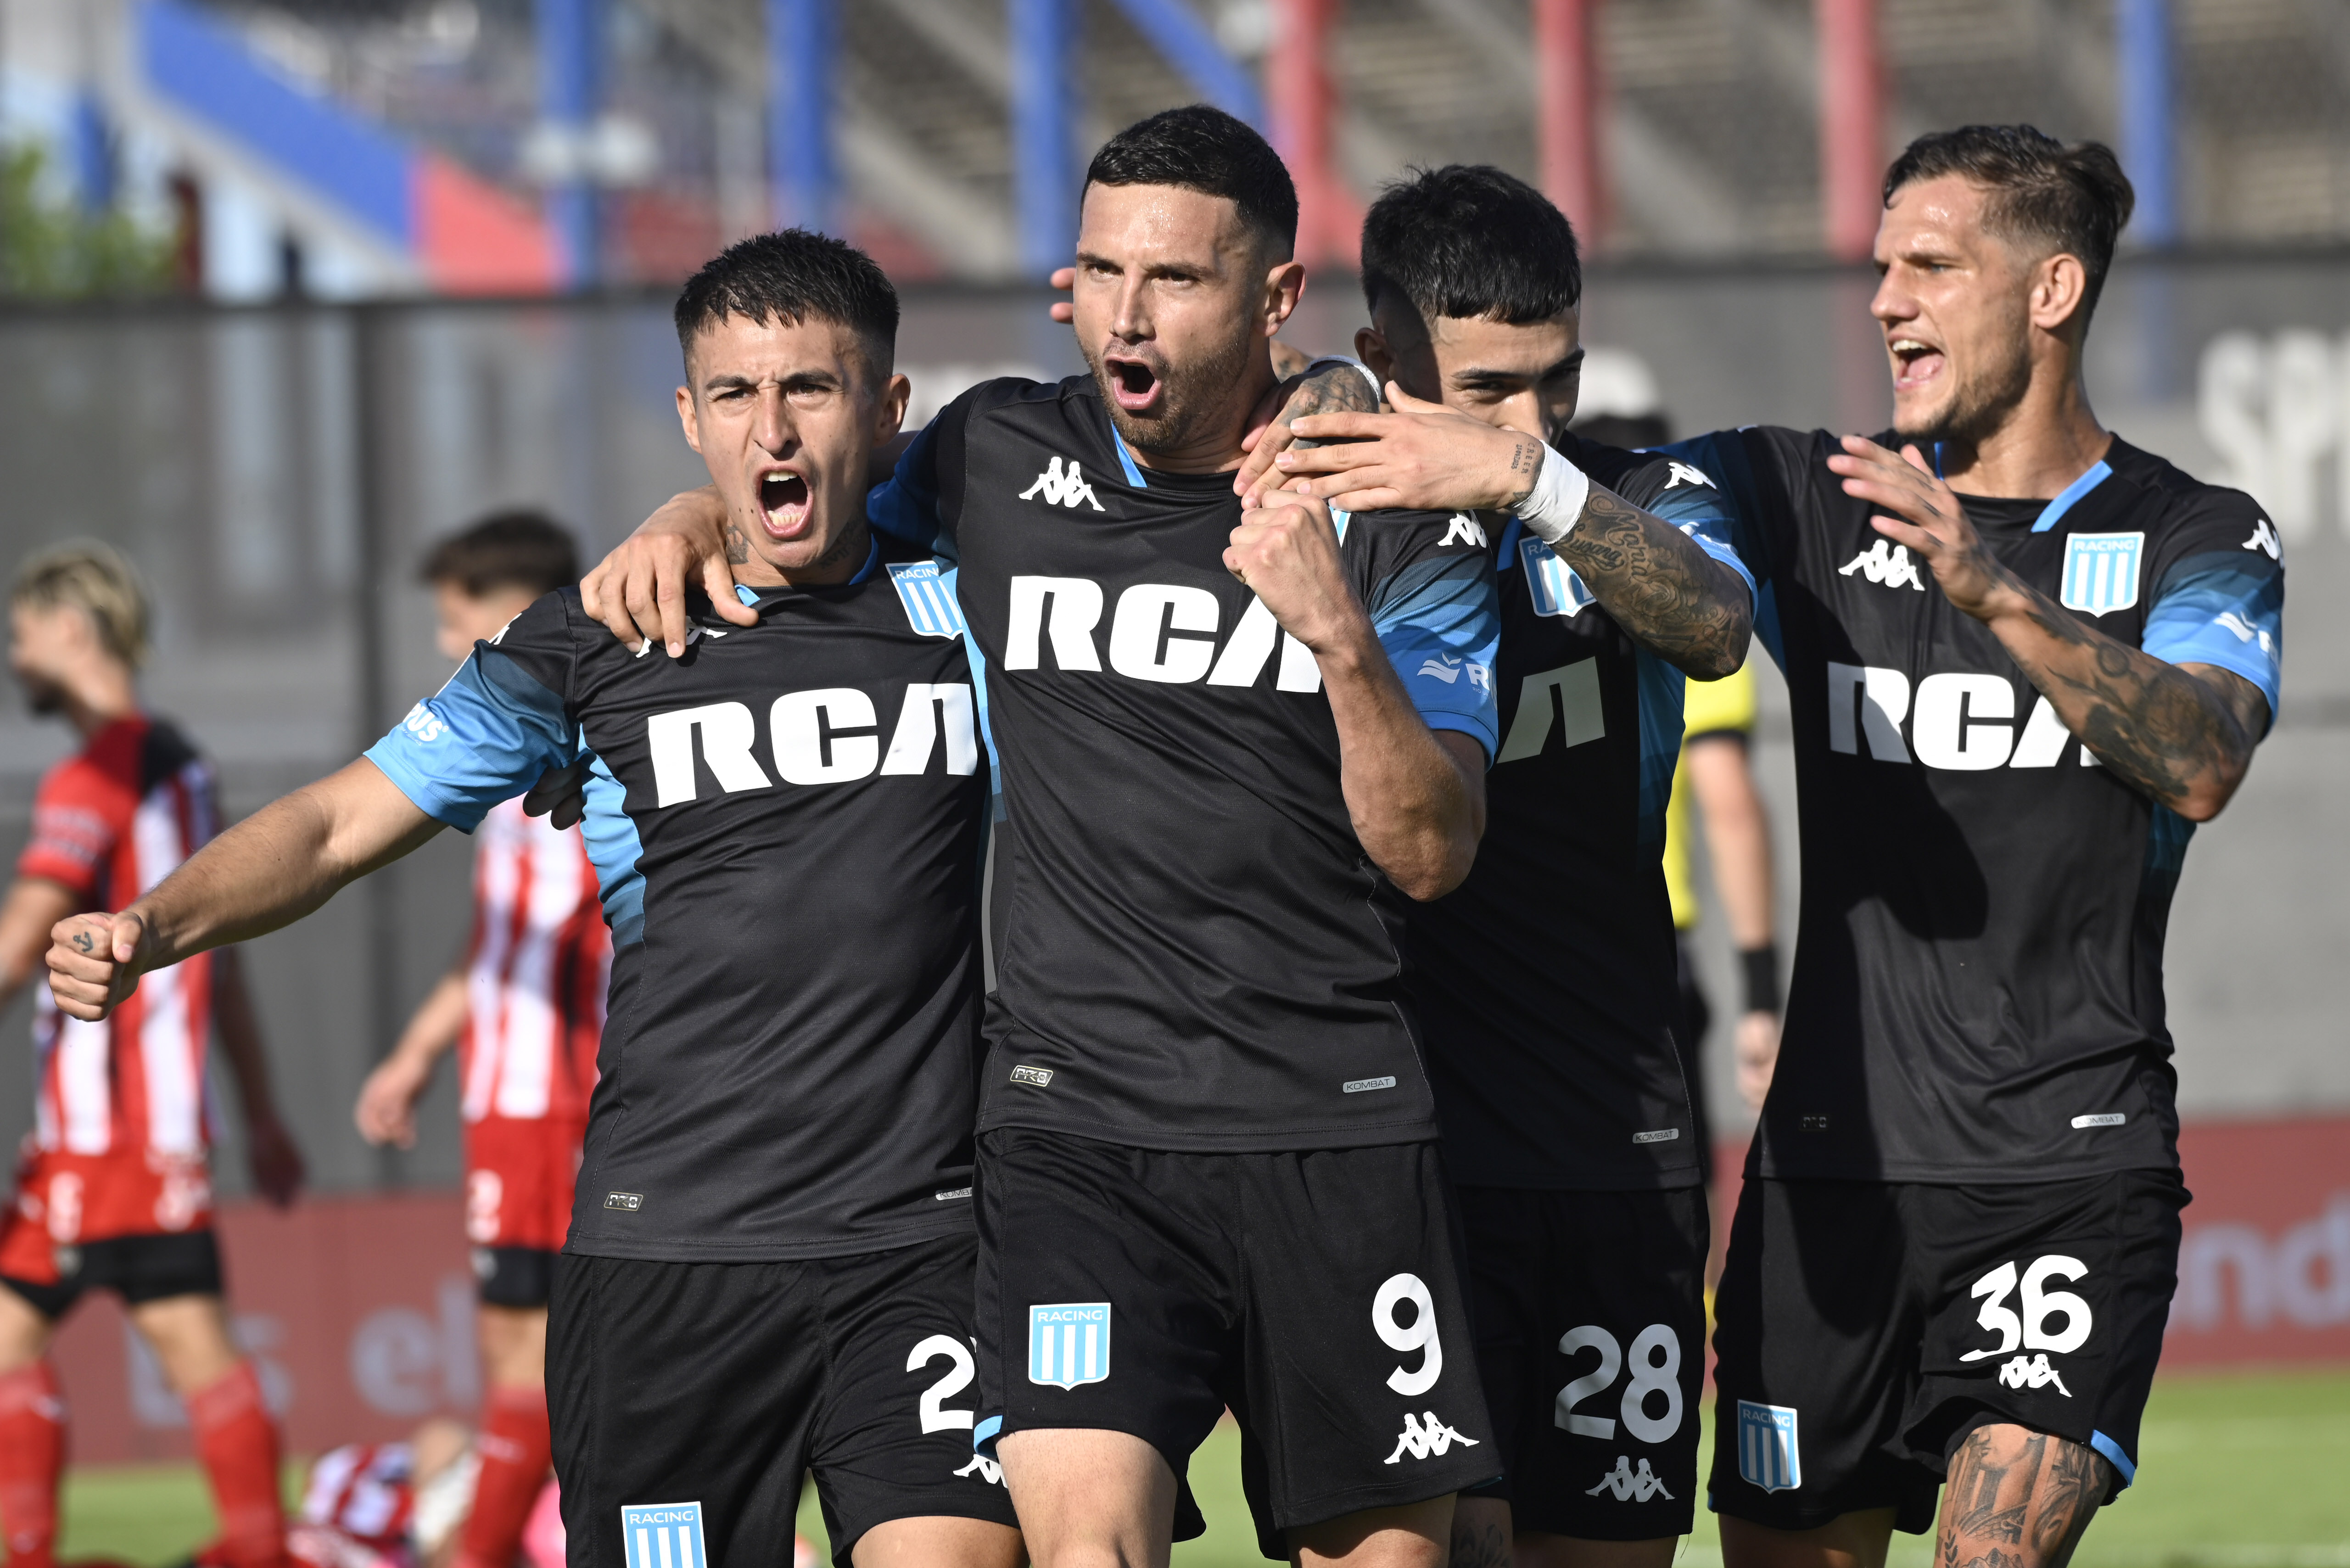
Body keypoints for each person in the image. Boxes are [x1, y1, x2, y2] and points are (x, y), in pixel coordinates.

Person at [1232, 123, 2283, 1568]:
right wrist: (1366, 402)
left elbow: (2201, 759)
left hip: (2062, 1157)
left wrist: (1993, 593)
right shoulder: (1799, 492)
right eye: (1876, 266)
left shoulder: (2196, 531)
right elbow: (1687, 589)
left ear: (2047, 290)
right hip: (1815, 1181)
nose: (1880, 300)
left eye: (1925, 265)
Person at [579, 107, 1504, 1568]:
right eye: (1094, 273)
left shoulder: (1389, 513)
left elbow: (1428, 852)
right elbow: (798, 491)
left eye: (1173, 282)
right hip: (1074, 1129)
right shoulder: (989, 457)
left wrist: (1335, 638)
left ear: (1272, 299)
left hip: (1332, 1116)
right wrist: (687, 510)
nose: (1119, 317)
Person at [47, 230, 1024, 1568]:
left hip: (916, 1243)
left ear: (887, 410)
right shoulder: (591, 643)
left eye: (811, 386)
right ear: (687, 417)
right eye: (733, 395)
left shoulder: (965, 609)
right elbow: (339, 822)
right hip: (667, 1254)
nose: (771, 427)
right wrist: (150, 921)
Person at [1308, 166, 1754, 1568]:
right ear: (1383, 360)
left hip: (1608, 1139)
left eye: (1551, 380)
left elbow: (1717, 624)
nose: (1531, 420)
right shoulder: (1321, 523)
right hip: (1396, 1144)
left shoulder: (1635, 498)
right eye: (1486, 387)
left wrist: (1519, 475)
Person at [0, 542, 304, 1568]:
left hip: (108, 1128)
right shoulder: (183, 759)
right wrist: (258, 1111)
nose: (16, 652)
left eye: (23, 633)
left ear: (72, 632)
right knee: (188, 1344)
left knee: (46, 1347)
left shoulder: (100, 768)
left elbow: (21, 940)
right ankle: (260, 1547)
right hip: (152, 1126)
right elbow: (231, 959)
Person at [352, 513, 609, 1568]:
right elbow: (491, 946)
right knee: (517, 1354)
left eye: (457, 629)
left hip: (553, 1103)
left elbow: (606, 936)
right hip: (500, 1102)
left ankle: (481, 1553)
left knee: (536, 1362)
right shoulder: (502, 764)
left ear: (512, 621)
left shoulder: (588, 760)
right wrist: (416, 1053)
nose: (442, 650)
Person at [1658, 655, 1784, 1179]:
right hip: (1649, 952)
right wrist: (1760, 997)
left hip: (1490, 947)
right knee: (1675, 1203)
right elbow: (1728, 803)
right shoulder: (1679, 592)